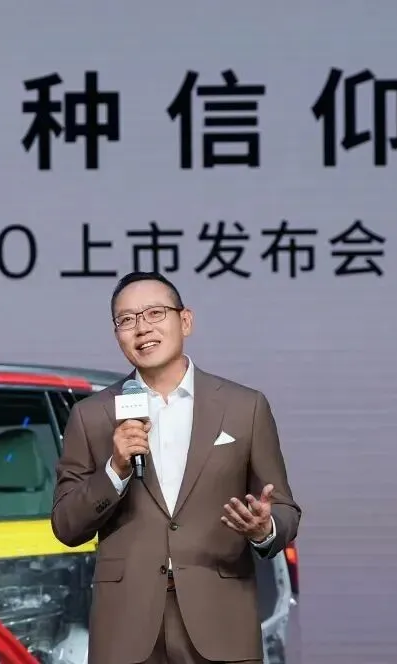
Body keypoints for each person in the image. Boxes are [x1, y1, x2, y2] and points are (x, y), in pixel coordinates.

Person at [51, 271, 301, 664]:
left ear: (185, 321)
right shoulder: (91, 416)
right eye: (127, 319)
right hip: (126, 627)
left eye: (154, 313)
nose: (142, 328)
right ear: (117, 335)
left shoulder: (244, 407)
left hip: (221, 620)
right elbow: (66, 526)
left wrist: (264, 528)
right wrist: (115, 470)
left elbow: (285, 509)